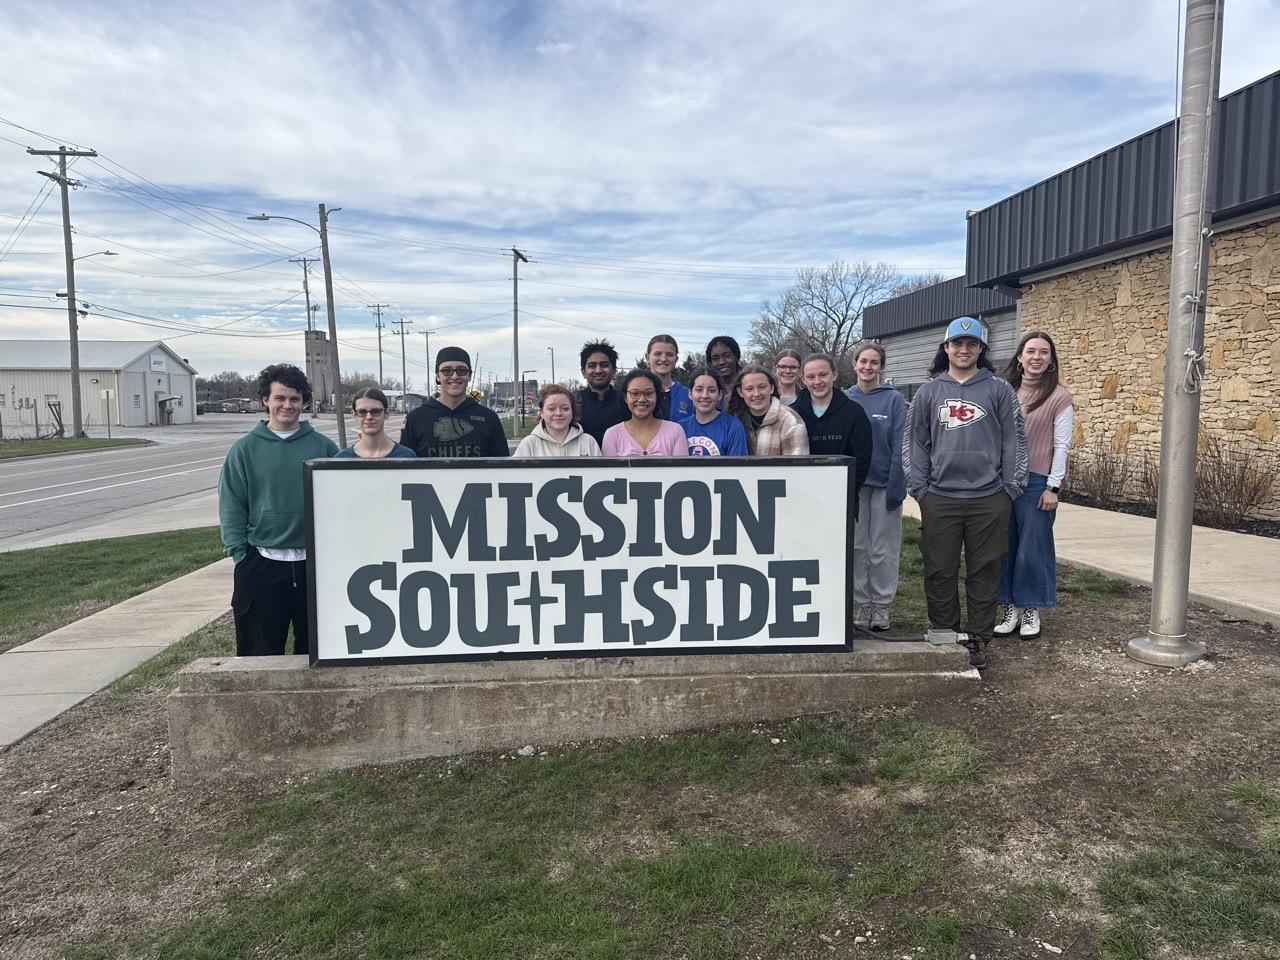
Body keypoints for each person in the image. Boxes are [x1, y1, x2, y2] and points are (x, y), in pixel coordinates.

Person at [904, 317, 1027, 668]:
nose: (964, 349)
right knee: (939, 570)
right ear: (946, 348)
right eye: (957, 343)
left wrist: (1010, 488)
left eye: (972, 344)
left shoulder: (999, 389)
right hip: (940, 497)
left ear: (981, 349)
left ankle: (977, 639)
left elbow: (1014, 439)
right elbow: (915, 442)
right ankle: (945, 633)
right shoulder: (928, 392)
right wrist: (920, 488)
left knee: (984, 570)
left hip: (989, 497)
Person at [218, 363, 337, 657]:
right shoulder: (244, 449)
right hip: (261, 562)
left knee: (318, 652)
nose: (287, 405)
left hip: (315, 564)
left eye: (295, 399)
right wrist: (240, 553)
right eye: (280, 398)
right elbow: (232, 504)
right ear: (265, 400)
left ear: (304, 402)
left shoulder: (324, 448)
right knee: (258, 653)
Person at [995, 331, 1074, 641]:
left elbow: (1062, 445)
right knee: (1005, 546)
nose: (1036, 357)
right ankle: (1010, 607)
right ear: (1020, 357)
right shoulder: (1005, 391)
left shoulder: (1059, 397)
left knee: (1032, 548)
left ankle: (1030, 608)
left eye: (1043, 352)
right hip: (1003, 481)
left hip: (1037, 482)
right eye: (1031, 351)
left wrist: (1053, 487)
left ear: (1051, 359)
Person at [844, 343, 908, 631]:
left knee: (882, 549)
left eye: (874, 362)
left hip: (884, 484)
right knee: (857, 547)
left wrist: (897, 485)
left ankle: (881, 606)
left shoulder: (894, 400)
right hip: (855, 486)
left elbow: (900, 444)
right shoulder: (845, 398)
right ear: (854, 364)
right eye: (863, 361)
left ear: (881, 366)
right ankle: (863, 604)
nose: (867, 367)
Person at [793, 351, 873, 503]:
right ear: (803, 379)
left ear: (834, 375)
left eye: (823, 375)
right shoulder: (792, 413)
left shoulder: (854, 412)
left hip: (842, 497)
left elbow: (862, 460)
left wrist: (848, 490)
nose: (817, 381)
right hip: (800, 496)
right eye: (811, 377)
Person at [401, 347, 509, 457]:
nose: (455, 376)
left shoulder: (489, 418)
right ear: (438, 376)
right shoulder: (415, 419)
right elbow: (404, 464)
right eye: (447, 371)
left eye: (462, 370)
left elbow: (503, 464)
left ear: (469, 376)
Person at [602, 369, 689, 457]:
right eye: (635, 393)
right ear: (625, 397)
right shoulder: (612, 434)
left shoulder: (675, 431)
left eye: (649, 393)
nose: (642, 399)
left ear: (657, 396)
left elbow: (681, 466)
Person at [729, 364, 809, 455]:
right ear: (740, 392)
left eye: (762, 387)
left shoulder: (791, 421)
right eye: (749, 389)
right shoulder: (734, 420)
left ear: (771, 388)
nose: (756, 394)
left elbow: (797, 463)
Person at [514, 383, 603, 457]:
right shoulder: (529, 444)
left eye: (565, 408)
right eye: (551, 409)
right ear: (542, 413)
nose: (558, 413)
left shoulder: (589, 442)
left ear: (572, 412)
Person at [678, 367, 748, 456]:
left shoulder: (733, 427)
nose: (705, 395)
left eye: (711, 390)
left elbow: (738, 464)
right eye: (699, 390)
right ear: (690, 394)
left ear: (720, 395)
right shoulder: (680, 428)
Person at [336, 387, 417, 459]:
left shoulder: (406, 456)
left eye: (375, 411)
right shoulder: (342, 459)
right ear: (354, 415)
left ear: (386, 414)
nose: (369, 417)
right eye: (362, 412)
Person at [577, 339, 627, 445]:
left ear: (614, 370)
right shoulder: (573, 402)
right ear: (583, 372)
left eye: (604, 365)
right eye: (592, 366)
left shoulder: (626, 401)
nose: (598, 370)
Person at [646, 334, 692, 422]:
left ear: (676, 359)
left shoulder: (688, 395)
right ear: (647, 357)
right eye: (658, 354)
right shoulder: (636, 393)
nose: (663, 359)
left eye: (669, 355)